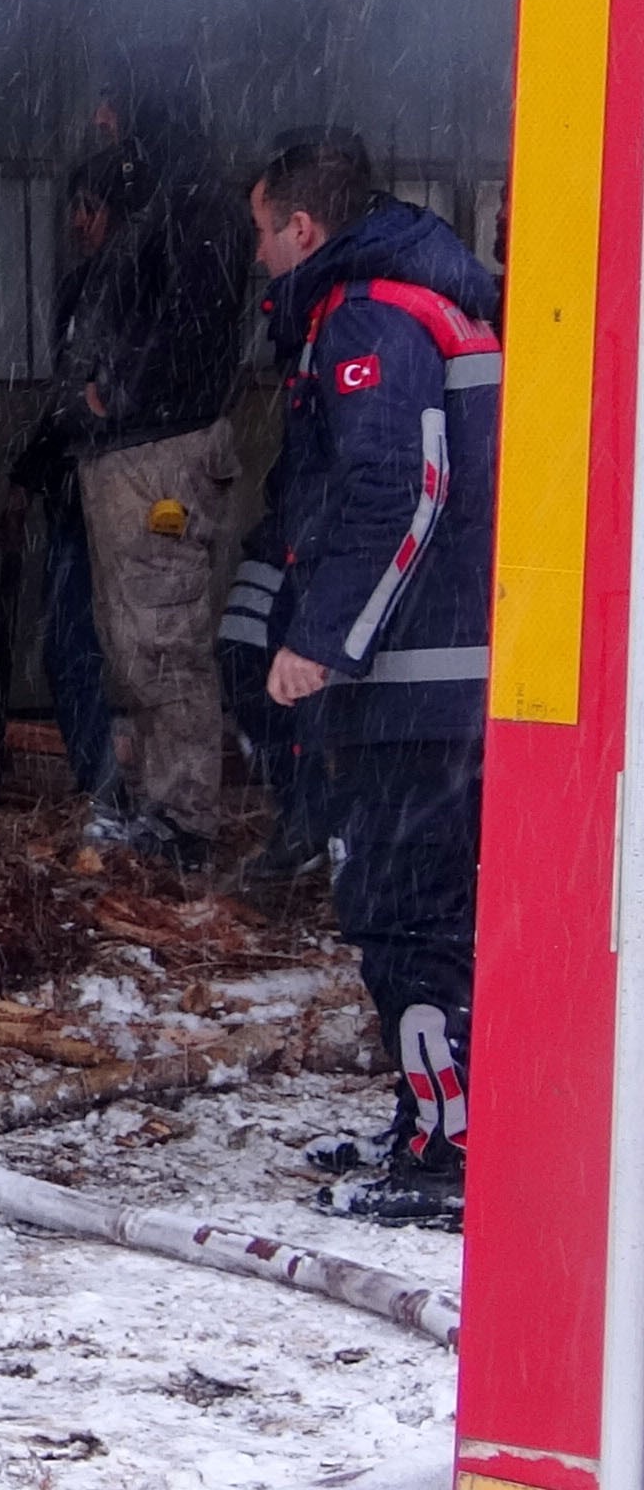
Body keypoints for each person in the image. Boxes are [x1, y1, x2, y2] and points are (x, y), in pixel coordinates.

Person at [243, 126, 499, 1228]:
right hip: (451, 681)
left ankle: (448, 1153)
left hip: (418, 685)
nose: (258, 258)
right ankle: (434, 1118)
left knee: (404, 913)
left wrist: (324, 641)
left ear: (303, 229)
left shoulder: (368, 315)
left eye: (262, 233)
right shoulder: (431, 296)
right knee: (429, 911)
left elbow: (402, 484)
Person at [38, 102, 253, 872]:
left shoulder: (194, 206)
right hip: (128, 452)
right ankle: (161, 810)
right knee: (135, 643)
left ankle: (184, 818)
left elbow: (193, 326)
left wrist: (114, 393)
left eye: (114, 108)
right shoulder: (164, 203)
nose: (100, 120)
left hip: (156, 456)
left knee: (162, 641)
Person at [14, 149, 146, 820]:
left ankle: (130, 796)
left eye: (89, 209)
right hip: (73, 492)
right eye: (76, 209)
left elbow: (111, 393)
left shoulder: (142, 285)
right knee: (68, 645)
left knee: (143, 649)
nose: (77, 223)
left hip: (127, 487)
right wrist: (27, 475)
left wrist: (101, 411)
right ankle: (100, 788)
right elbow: (65, 399)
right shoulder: (79, 289)